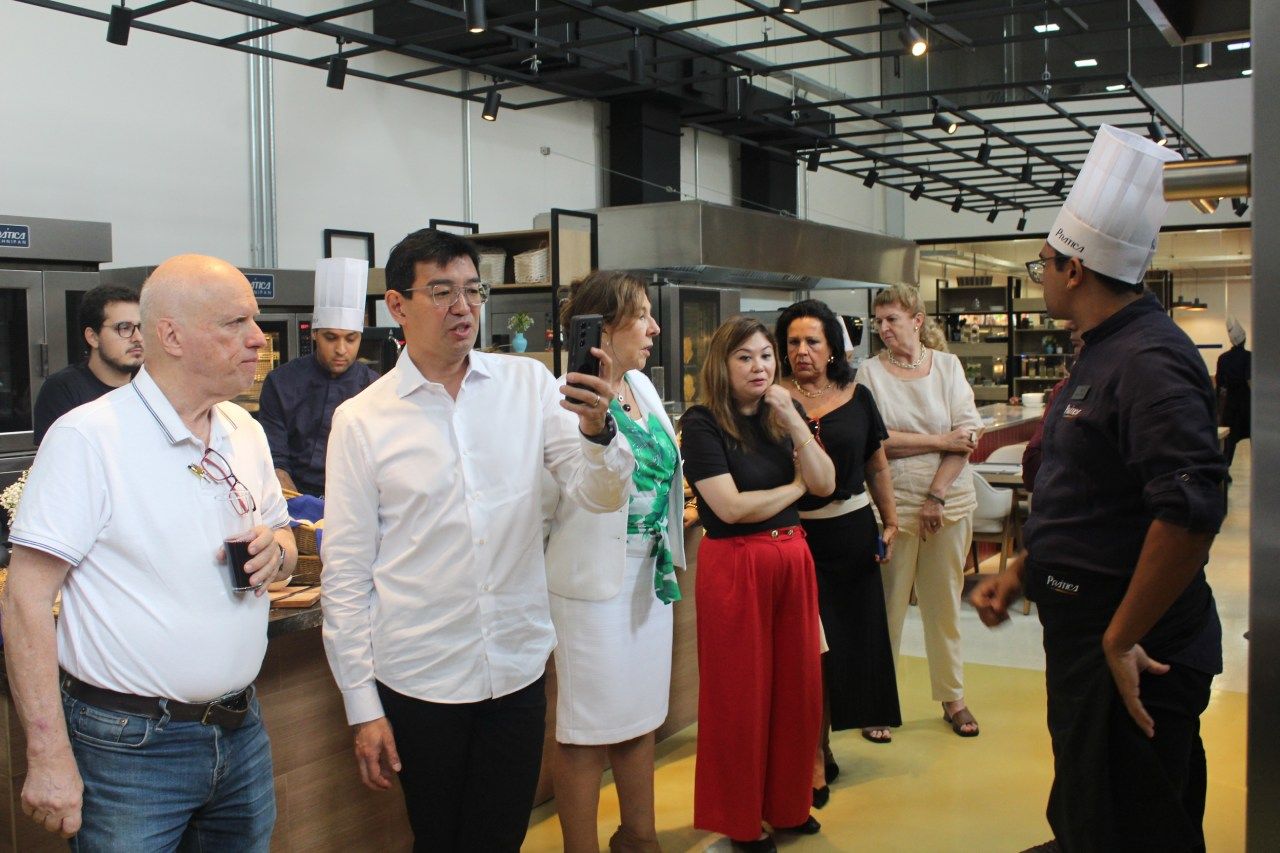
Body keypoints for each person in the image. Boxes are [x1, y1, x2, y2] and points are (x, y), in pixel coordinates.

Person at [320, 229, 632, 852]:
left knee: (501, 836)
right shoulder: (362, 420)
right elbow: (346, 574)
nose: (463, 306)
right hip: (419, 678)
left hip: (514, 669)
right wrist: (363, 706)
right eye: (441, 291)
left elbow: (599, 495)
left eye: (472, 289)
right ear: (397, 306)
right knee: (439, 840)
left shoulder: (528, 386)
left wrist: (599, 432)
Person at [971, 125, 1227, 853]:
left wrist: (1120, 637)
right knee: (1098, 814)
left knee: (1131, 826)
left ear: (1074, 267)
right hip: (1089, 633)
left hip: (1134, 644)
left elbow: (1189, 508)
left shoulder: (1148, 359)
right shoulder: (1103, 352)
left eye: (1043, 262)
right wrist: (1024, 572)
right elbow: (1091, 493)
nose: (1041, 275)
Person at [3, 254, 297, 848]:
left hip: (241, 730)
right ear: (171, 335)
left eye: (256, 321)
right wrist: (48, 753)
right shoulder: (89, 437)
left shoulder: (245, 429)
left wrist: (279, 553)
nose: (258, 339)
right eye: (235, 323)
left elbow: (283, 537)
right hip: (128, 748)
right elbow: (26, 601)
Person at [681, 315, 835, 852]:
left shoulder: (781, 416)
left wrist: (794, 423)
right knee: (739, 698)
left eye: (766, 356)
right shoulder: (702, 423)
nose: (759, 366)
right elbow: (729, 507)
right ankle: (741, 821)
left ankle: (789, 806)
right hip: (737, 566)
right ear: (722, 365)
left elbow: (826, 482)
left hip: (793, 560)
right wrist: (794, 487)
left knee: (799, 690)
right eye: (745, 356)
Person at [544, 270, 684, 853]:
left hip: (647, 581)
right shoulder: (563, 401)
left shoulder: (642, 389)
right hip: (591, 589)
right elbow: (574, 493)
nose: (654, 328)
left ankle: (639, 837)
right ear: (604, 327)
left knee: (640, 715)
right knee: (585, 729)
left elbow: (667, 476)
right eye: (643, 315)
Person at [775, 300, 901, 800]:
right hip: (791, 536)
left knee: (844, 648)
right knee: (805, 651)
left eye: (812, 342)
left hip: (850, 534)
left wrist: (890, 521)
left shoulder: (857, 395)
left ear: (832, 348)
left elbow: (877, 464)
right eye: (792, 343)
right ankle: (810, 755)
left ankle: (823, 746)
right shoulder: (770, 397)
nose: (801, 351)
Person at [855, 284, 983, 738]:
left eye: (892, 318)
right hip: (892, 506)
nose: (884, 328)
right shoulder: (869, 373)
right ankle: (877, 704)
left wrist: (937, 494)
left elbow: (966, 435)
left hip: (947, 503)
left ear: (917, 319)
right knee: (887, 608)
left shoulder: (947, 367)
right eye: (879, 320)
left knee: (944, 604)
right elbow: (877, 441)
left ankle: (953, 697)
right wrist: (938, 440)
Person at [258, 258, 379, 496]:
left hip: (356, 498)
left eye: (351, 339)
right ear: (314, 334)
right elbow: (275, 459)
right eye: (331, 338)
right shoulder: (281, 383)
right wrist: (300, 508)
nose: (341, 349)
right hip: (294, 499)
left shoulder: (375, 388)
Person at [32, 284, 143, 444]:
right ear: (93, 337)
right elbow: (57, 460)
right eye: (124, 328)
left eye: (140, 327)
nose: (138, 337)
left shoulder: (153, 384)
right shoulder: (63, 389)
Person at [1021, 321, 1083, 491]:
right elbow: (1032, 466)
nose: (1068, 325)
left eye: (1078, 316)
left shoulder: (1066, 390)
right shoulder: (1063, 390)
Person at [1216, 316, 1250, 469]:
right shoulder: (1250, 357)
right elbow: (1250, 381)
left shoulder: (1223, 358)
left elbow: (1220, 384)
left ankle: (1224, 470)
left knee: (1229, 443)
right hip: (1247, 405)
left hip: (1231, 405)